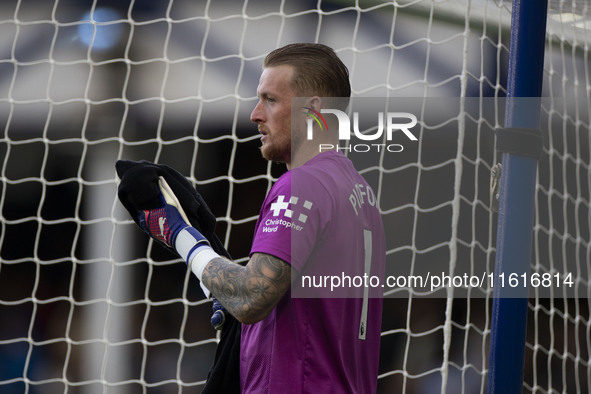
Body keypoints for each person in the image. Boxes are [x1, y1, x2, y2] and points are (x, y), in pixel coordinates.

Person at [135, 43, 385, 393]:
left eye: (270, 99)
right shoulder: (360, 192)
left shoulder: (302, 185)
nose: (255, 114)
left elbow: (252, 297)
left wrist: (180, 234)